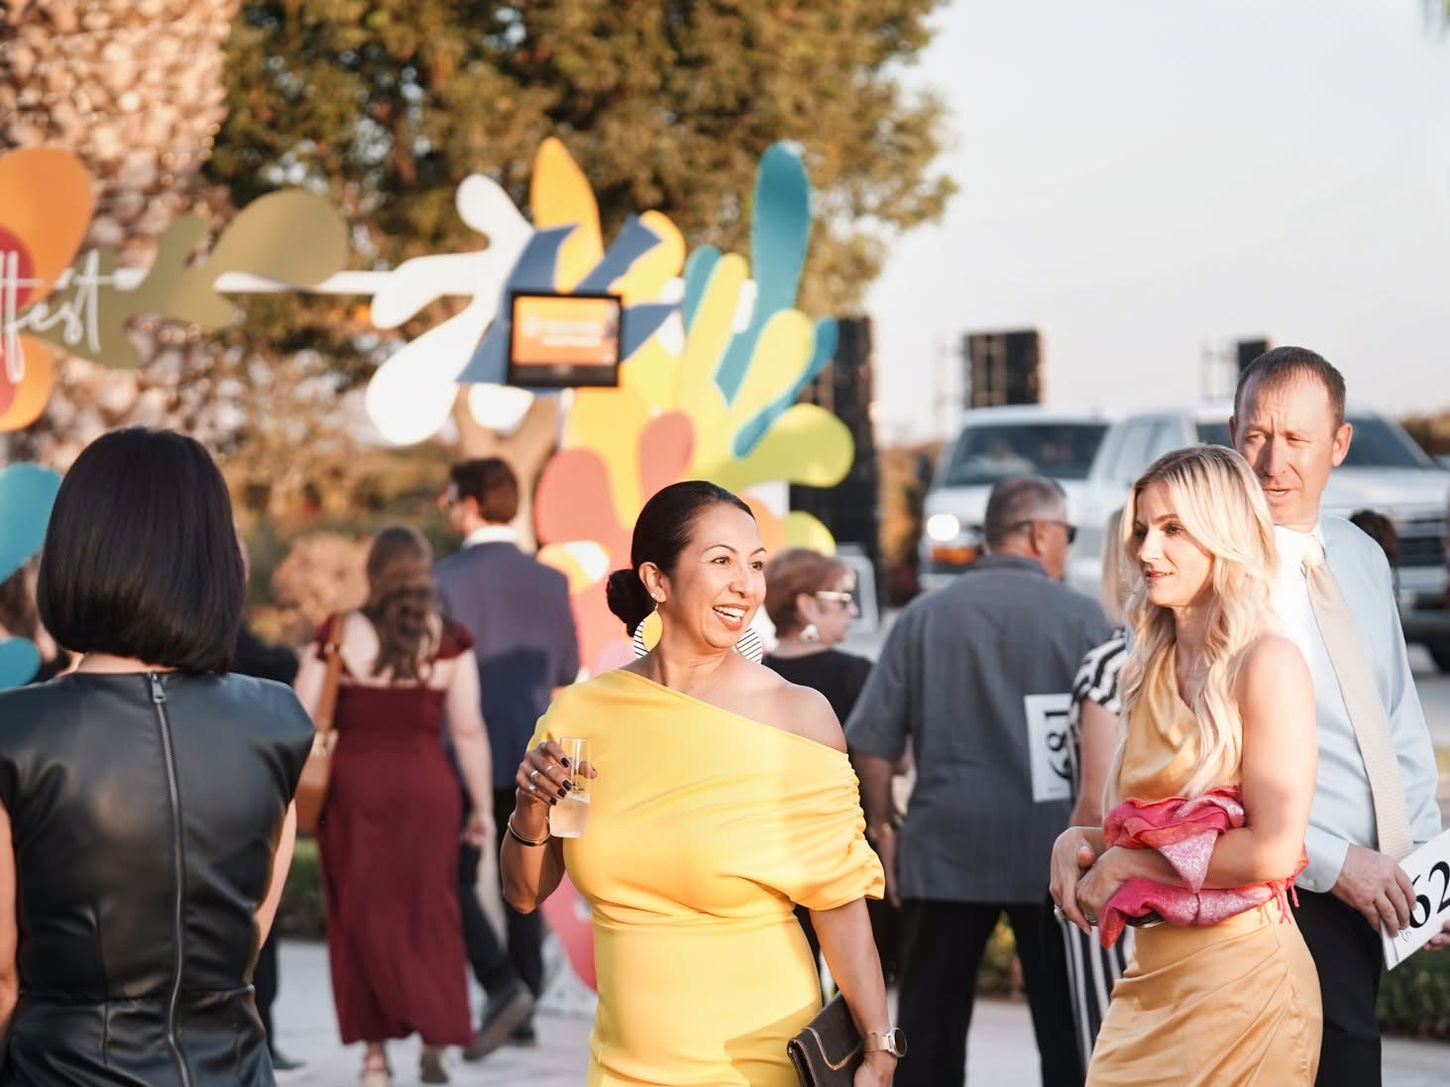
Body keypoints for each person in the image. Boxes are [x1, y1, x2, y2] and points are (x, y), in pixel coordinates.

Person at [499, 481, 898, 1087]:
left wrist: (879, 1046)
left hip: (757, 1065)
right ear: (657, 581)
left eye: (755, 565)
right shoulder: (582, 716)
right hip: (617, 1069)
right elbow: (526, 894)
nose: (746, 584)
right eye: (721, 561)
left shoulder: (796, 716)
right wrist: (529, 812)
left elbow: (838, 906)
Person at [0, 427, 313, 1086]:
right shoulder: (277, 722)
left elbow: (1, 972)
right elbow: (242, 944)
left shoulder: (17, 732)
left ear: (76, 550)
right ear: (213, 560)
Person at [1051, 444, 1322, 1085]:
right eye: (1143, 530)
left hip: (1246, 987)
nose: (1147, 550)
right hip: (1151, 982)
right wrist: (1078, 841)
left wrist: (1130, 864)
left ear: (1224, 536)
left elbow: (1274, 851)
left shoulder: (1268, 662)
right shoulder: (1145, 668)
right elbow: (1152, 828)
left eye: (1174, 529)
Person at [1229, 348, 1446, 1087]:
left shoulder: (1360, 556)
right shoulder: (1213, 569)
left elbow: (1395, 716)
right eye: (1257, 435)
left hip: (1371, 886)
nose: (1273, 461)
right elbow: (1210, 758)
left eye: (1297, 439)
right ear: (1232, 434)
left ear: (1339, 444)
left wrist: (1424, 864)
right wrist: (1334, 862)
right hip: (1273, 892)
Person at [849, 476, 1110, 1087]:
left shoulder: (923, 616)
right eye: (1068, 533)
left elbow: (873, 741)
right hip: (1058, 855)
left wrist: (885, 827)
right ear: (1040, 533)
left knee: (929, 1039)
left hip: (946, 852)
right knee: (1069, 1035)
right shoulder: (1083, 619)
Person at [294, 526, 496, 1087]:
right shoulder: (449, 637)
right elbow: (469, 730)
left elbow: (301, 713)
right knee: (431, 915)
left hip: (354, 792)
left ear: (374, 571)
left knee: (358, 915)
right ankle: (437, 1036)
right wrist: (481, 807)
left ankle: (375, 1058)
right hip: (427, 789)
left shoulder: (339, 632)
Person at [435, 458, 579, 1049]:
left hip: (455, 753)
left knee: (450, 880)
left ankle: (501, 986)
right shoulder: (551, 582)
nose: (445, 507)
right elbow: (567, 669)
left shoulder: (443, 579)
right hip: (535, 752)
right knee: (523, 878)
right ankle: (523, 998)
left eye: (449, 496)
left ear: (469, 503)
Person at [762, 548, 899, 981]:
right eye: (842, 600)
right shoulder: (855, 675)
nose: (852, 611)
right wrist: (885, 828)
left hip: (770, 852)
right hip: (842, 850)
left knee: (790, 982)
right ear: (806, 606)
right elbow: (890, 758)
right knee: (859, 982)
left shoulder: (752, 677)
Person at [1058, 509, 1133, 1064]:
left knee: (1111, 1052)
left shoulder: (1112, 666)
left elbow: (1095, 801)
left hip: (1112, 888)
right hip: (1180, 885)